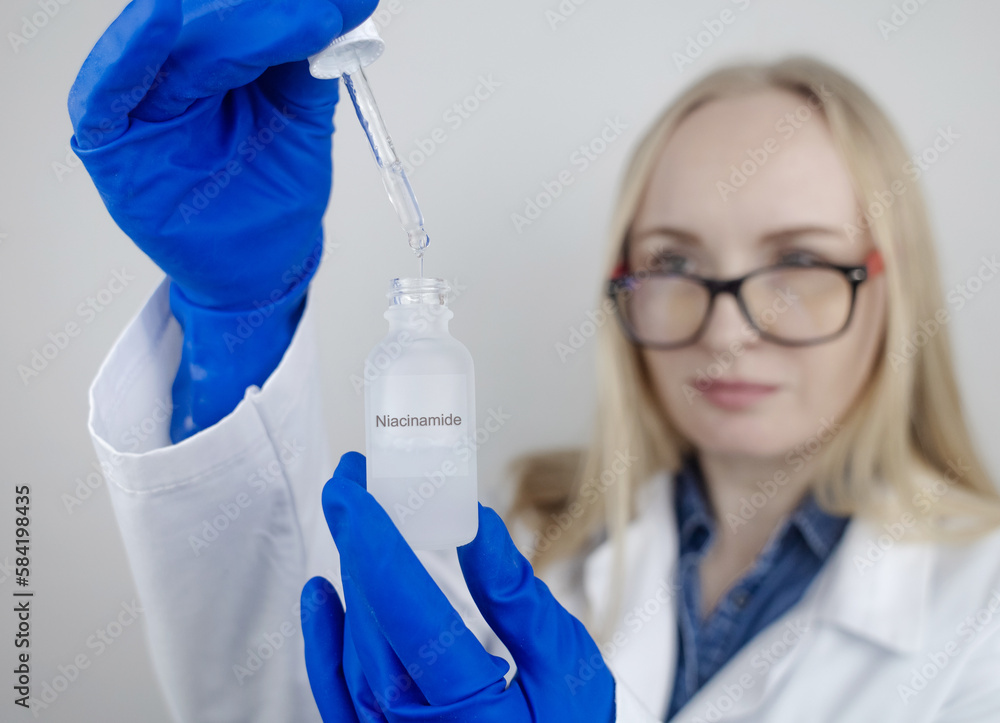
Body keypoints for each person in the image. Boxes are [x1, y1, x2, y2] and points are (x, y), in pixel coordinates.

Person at [70, 1, 1000, 722]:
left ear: (890, 287)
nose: (728, 330)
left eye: (796, 261)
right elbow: (274, 695)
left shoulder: (983, 611)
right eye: (675, 263)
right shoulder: (522, 535)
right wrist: (238, 321)